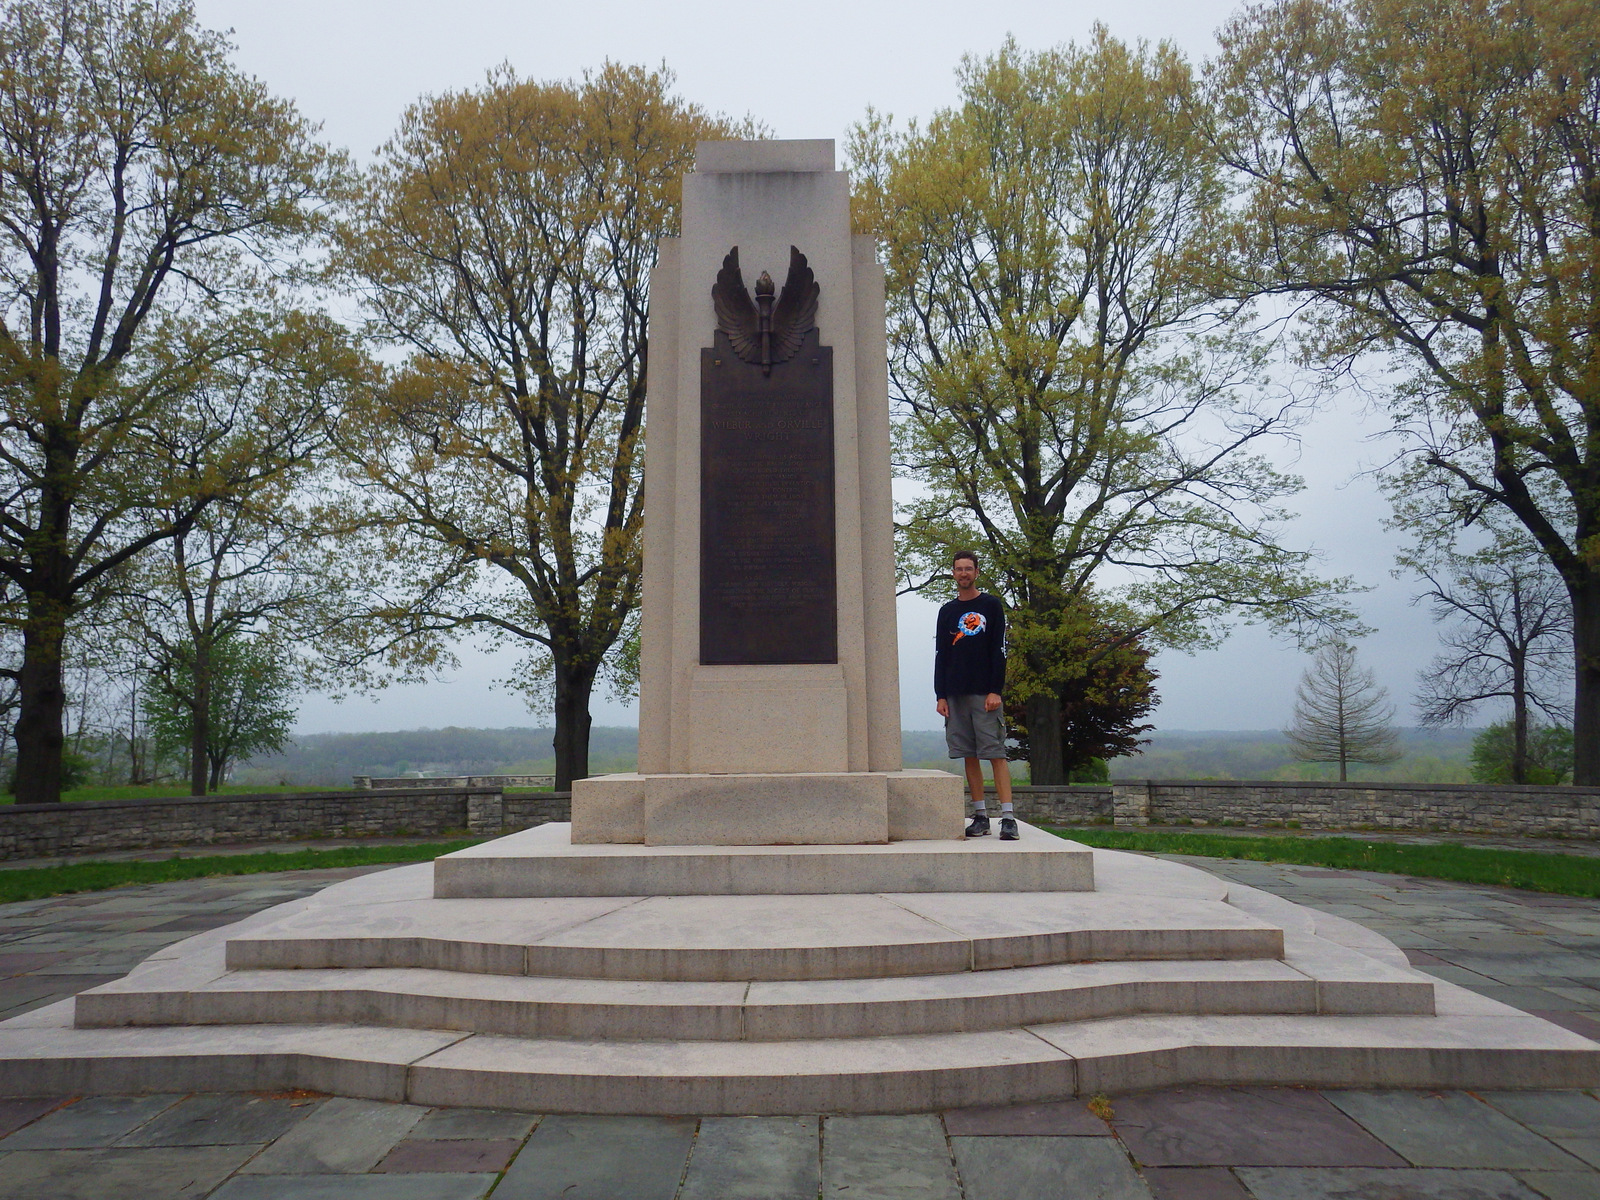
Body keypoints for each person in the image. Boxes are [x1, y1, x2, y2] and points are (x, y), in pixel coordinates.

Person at [933, 549, 1016, 840]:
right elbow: (941, 654)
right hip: (956, 694)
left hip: (985, 694)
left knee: (994, 753)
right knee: (969, 755)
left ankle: (1008, 818)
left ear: (977, 572)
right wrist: (940, 695)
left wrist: (996, 689)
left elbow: (1000, 650)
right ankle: (980, 816)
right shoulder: (946, 611)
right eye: (959, 569)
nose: (964, 573)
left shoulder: (991, 606)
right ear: (953, 573)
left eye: (969, 569)